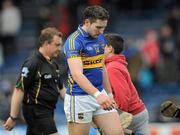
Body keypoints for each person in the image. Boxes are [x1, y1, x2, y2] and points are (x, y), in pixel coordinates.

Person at [63, 5, 124, 135]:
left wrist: (109, 94)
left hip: (100, 94)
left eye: (104, 28)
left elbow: (101, 67)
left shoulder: (101, 38)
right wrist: (98, 95)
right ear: (87, 22)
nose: (101, 31)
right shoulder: (74, 42)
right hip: (79, 98)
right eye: (98, 27)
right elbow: (77, 75)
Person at [3, 27, 66, 135]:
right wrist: (13, 117)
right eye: (57, 45)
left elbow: (61, 89)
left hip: (48, 111)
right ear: (46, 43)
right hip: (37, 111)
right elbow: (19, 90)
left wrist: (74, 104)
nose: (60, 48)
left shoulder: (53, 65)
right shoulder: (32, 63)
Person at [104, 33, 150, 135]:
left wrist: (116, 119)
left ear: (109, 48)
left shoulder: (112, 68)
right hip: (136, 113)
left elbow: (123, 97)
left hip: (132, 115)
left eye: (101, 46)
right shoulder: (116, 64)